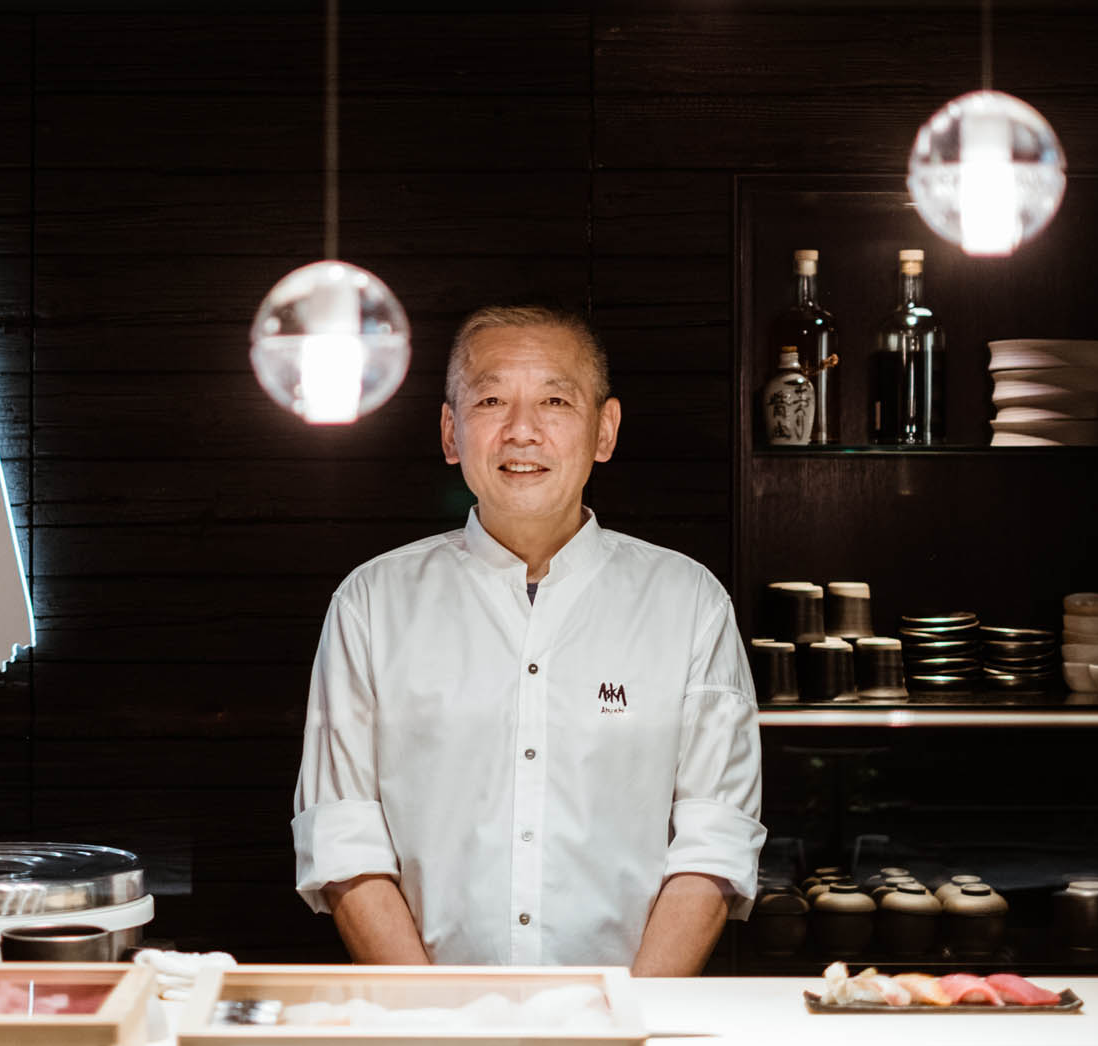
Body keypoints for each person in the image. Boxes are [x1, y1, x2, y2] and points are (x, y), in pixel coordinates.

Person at [290, 305, 765, 974]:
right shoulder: (371, 603)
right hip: (431, 1033)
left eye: (553, 400)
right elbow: (344, 842)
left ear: (605, 430)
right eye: (490, 399)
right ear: (451, 432)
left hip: (628, 1030)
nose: (521, 430)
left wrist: (625, 1025)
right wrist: (441, 1025)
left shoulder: (689, 603)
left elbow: (713, 845)